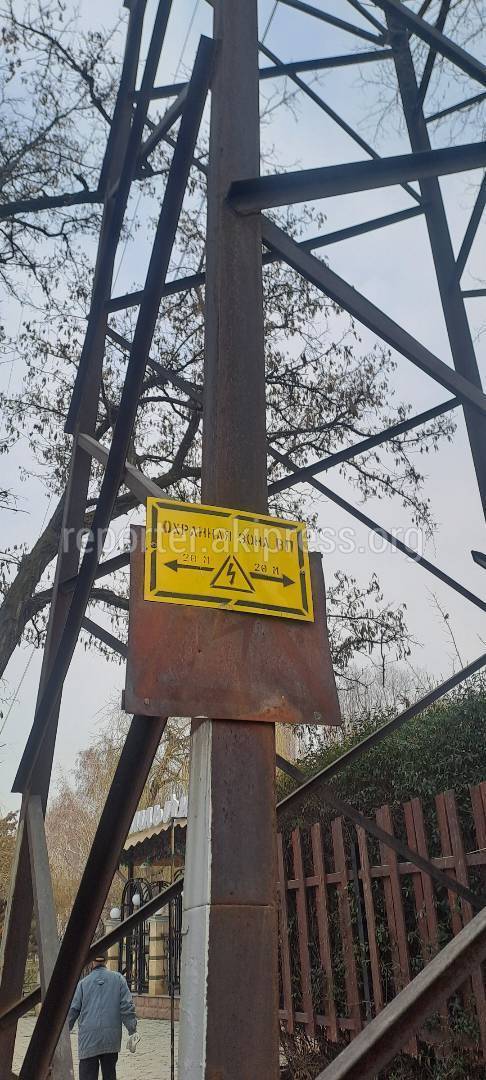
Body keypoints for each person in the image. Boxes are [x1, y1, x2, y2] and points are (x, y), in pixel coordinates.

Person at [68, 950, 137, 1080]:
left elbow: (73, 1010)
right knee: (110, 1074)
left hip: (88, 1039)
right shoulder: (119, 980)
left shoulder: (83, 984)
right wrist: (132, 1030)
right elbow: (126, 1007)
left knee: (87, 1076)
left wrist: (63, 1033)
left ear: (91, 962)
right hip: (111, 1038)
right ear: (106, 960)